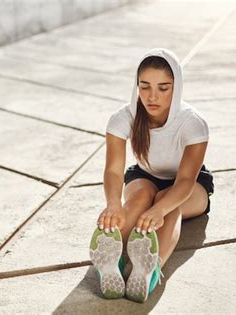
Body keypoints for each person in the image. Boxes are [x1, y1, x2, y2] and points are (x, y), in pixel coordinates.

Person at [89, 48, 215, 303]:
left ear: (176, 87)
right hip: (144, 175)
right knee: (138, 201)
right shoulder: (123, 117)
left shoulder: (193, 123)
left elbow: (185, 181)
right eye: (144, 87)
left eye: (163, 88)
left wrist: (160, 209)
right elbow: (114, 169)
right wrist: (113, 204)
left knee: (168, 206)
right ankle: (115, 259)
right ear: (136, 86)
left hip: (189, 185)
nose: (152, 96)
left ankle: (149, 271)